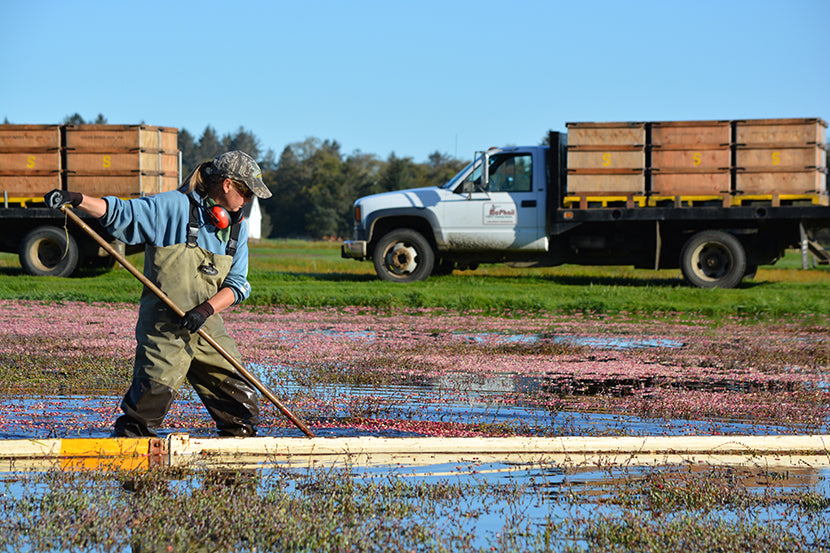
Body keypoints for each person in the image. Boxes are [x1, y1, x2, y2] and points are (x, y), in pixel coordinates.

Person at [44, 151, 271, 438]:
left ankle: (234, 468)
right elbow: (121, 213)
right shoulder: (173, 207)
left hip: (206, 324)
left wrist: (204, 311)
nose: (249, 200)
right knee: (144, 413)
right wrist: (76, 199)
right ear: (227, 185)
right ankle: (132, 469)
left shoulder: (237, 228)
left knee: (242, 409)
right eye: (247, 192)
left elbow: (238, 284)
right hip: (165, 327)